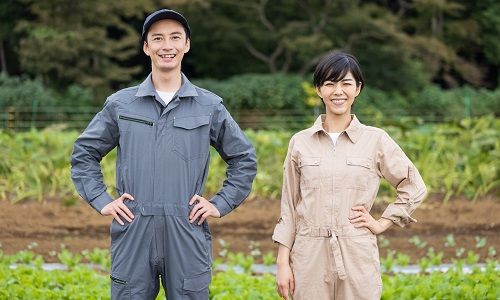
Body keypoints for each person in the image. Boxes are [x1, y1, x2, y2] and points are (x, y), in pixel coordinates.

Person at [71, 8, 257, 300]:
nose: (166, 45)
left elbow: (243, 158)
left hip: (186, 228)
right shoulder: (121, 104)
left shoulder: (209, 106)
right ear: (146, 47)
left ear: (186, 45)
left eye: (175, 37)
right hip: (134, 228)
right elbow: (84, 153)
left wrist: (220, 203)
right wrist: (102, 200)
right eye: (157, 38)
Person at [273, 52, 427, 300]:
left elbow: (414, 186)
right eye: (330, 83)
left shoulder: (375, 139)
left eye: (346, 83)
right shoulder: (300, 142)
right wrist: (282, 263)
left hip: (356, 253)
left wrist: (382, 223)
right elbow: (288, 207)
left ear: (358, 89)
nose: (338, 91)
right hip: (309, 255)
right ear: (319, 89)